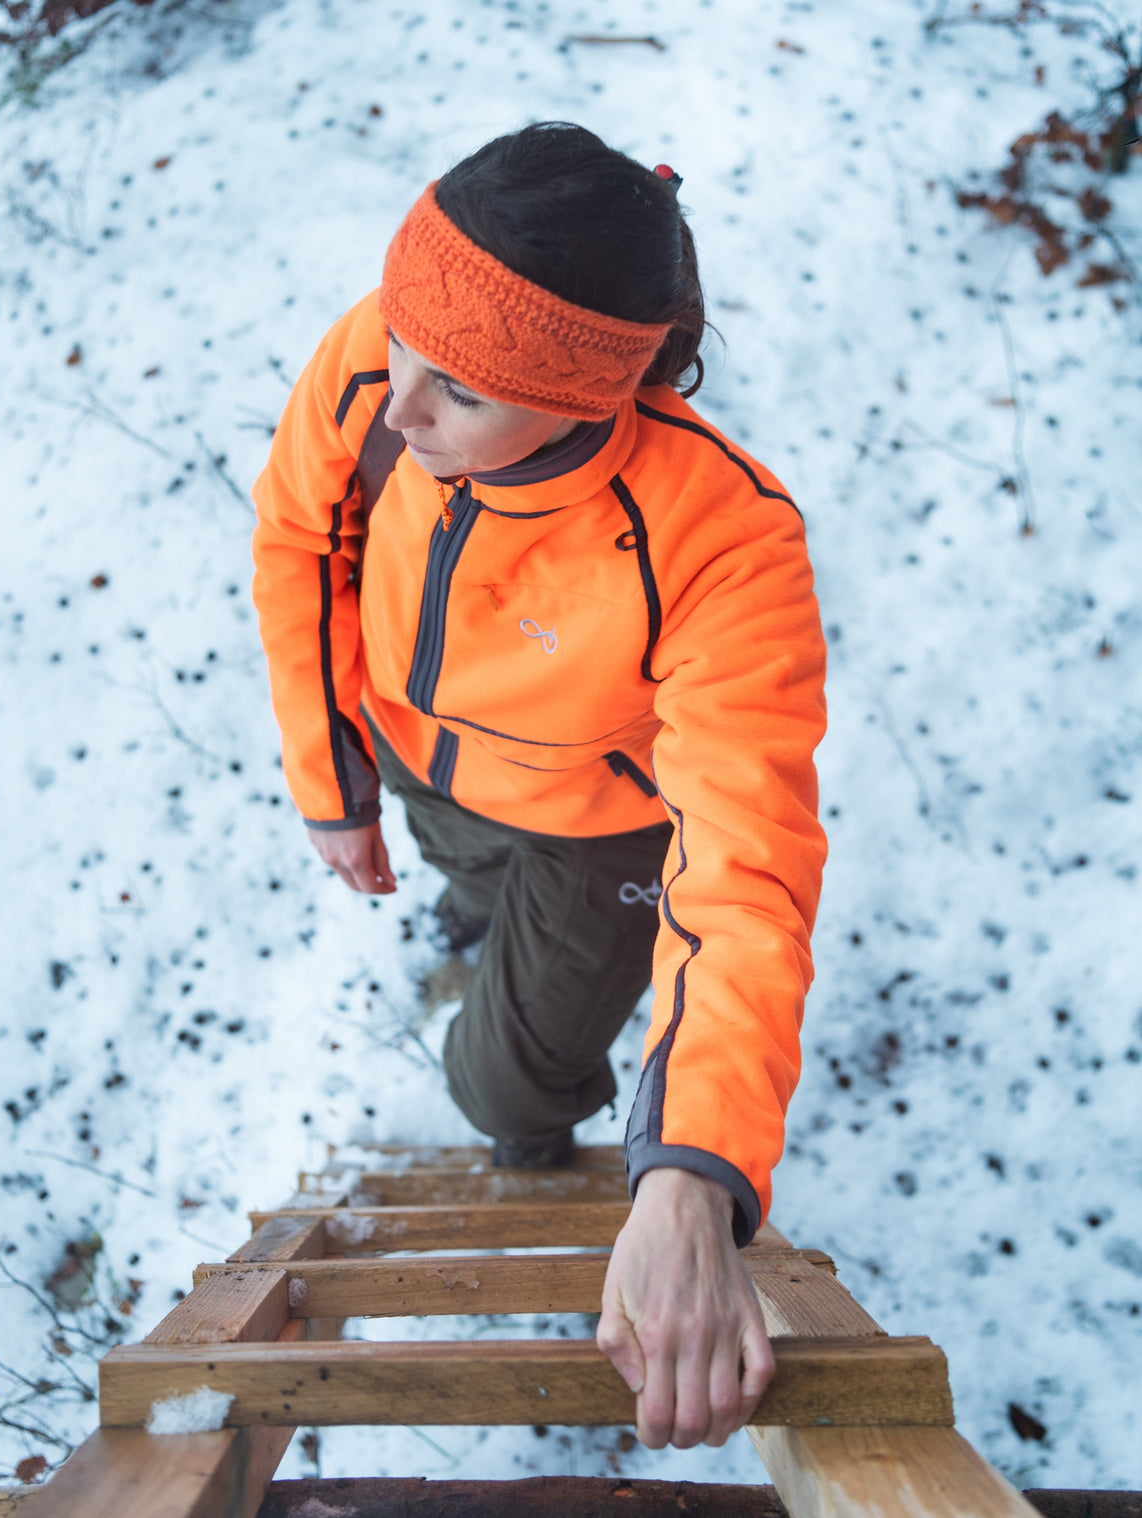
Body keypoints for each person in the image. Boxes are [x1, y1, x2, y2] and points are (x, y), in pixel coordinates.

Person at [250, 122, 827, 1450]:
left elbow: (747, 861)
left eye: (457, 388)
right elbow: (299, 534)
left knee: (499, 1085)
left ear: (581, 394)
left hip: (596, 827)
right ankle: (488, 930)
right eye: (400, 337)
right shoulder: (393, 347)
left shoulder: (719, 541)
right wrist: (335, 777)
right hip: (424, 761)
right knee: (468, 882)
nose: (395, 401)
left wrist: (690, 1173)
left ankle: (532, 1104)